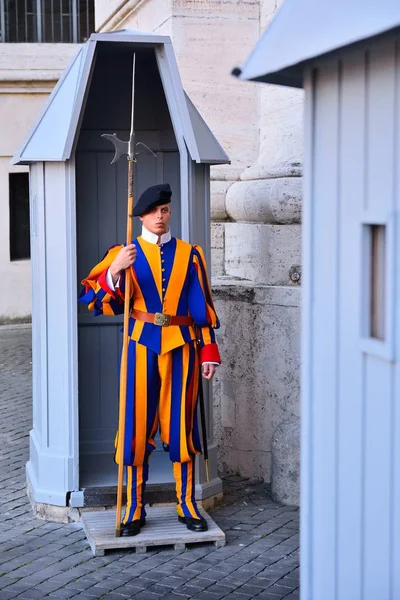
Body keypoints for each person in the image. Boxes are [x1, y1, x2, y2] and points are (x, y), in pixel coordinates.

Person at [79, 183, 221, 536]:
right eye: (154, 211)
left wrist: (208, 352)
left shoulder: (190, 254)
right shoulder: (123, 252)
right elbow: (94, 300)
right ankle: (132, 506)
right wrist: (114, 271)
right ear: (141, 215)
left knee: (181, 426)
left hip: (182, 347)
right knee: (135, 428)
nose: (161, 216)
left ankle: (187, 503)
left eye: (165, 210)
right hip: (140, 345)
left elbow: (201, 308)